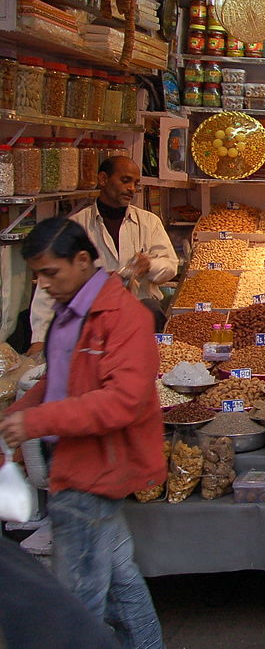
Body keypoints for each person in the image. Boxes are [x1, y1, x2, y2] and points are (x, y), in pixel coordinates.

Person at [0, 217, 166, 649]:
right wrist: (17, 417)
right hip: (71, 465)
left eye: (50, 273)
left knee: (78, 602)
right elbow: (58, 378)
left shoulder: (123, 316)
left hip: (95, 468)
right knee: (120, 584)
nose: (43, 284)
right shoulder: (69, 311)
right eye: (37, 274)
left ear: (81, 260)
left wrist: (34, 422)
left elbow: (122, 402)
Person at [28, 156, 177, 355]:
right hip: (92, 325)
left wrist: (149, 265)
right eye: (125, 181)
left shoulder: (149, 222)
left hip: (140, 317)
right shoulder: (76, 226)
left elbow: (170, 266)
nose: (132, 188)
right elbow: (49, 284)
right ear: (103, 179)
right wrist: (39, 338)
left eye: (136, 183)